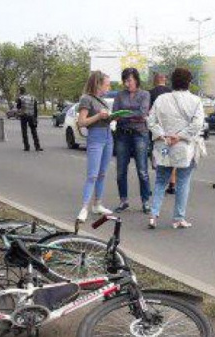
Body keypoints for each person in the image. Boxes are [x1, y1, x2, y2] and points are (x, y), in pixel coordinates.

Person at [147, 68, 205, 229]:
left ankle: (153, 214)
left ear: (172, 81)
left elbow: (151, 121)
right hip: (183, 147)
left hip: (164, 145)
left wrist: (163, 136)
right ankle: (178, 218)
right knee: (183, 182)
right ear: (189, 82)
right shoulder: (195, 101)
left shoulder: (161, 99)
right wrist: (179, 136)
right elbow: (197, 124)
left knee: (160, 180)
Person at [76, 71, 114, 222]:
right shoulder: (86, 99)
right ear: (98, 84)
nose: (109, 87)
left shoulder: (102, 100)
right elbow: (81, 122)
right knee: (92, 175)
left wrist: (112, 117)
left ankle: (97, 204)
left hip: (107, 136)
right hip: (96, 137)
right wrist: (99, 116)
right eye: (107, 84)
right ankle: (84, 207)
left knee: (102, 173)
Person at [113, 68, 151, 214]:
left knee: (142, 170)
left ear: (136, 79)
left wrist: (125, 115)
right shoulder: (119, 95)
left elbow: (143, 113)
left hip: (140, 134)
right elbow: (115, 114)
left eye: (129, 80)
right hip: (122, 135)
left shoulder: (145, 94)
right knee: (121, 170)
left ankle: (146, 201)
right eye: (125, 81)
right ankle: (123, 201)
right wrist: (130, 115)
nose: (127, 84)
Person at [149, 72, 177, 195]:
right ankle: (172, 182)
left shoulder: (150, 93)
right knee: (170, 155)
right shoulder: (172, 93)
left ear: (155, 80)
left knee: (161, 155)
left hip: (159, 131)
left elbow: (149, 113)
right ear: (164, 79)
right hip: (172, 129)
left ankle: (162, 181)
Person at [16, 86, 42, 152]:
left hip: (24, 116)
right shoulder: (32, 98)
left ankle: (27, 147)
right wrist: (35, 118)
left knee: (24, 131)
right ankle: (37, 146)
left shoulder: (20, 98)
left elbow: (18, 107)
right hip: (32, 116)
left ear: (20, 91)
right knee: (34, 131)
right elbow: (35, 109)